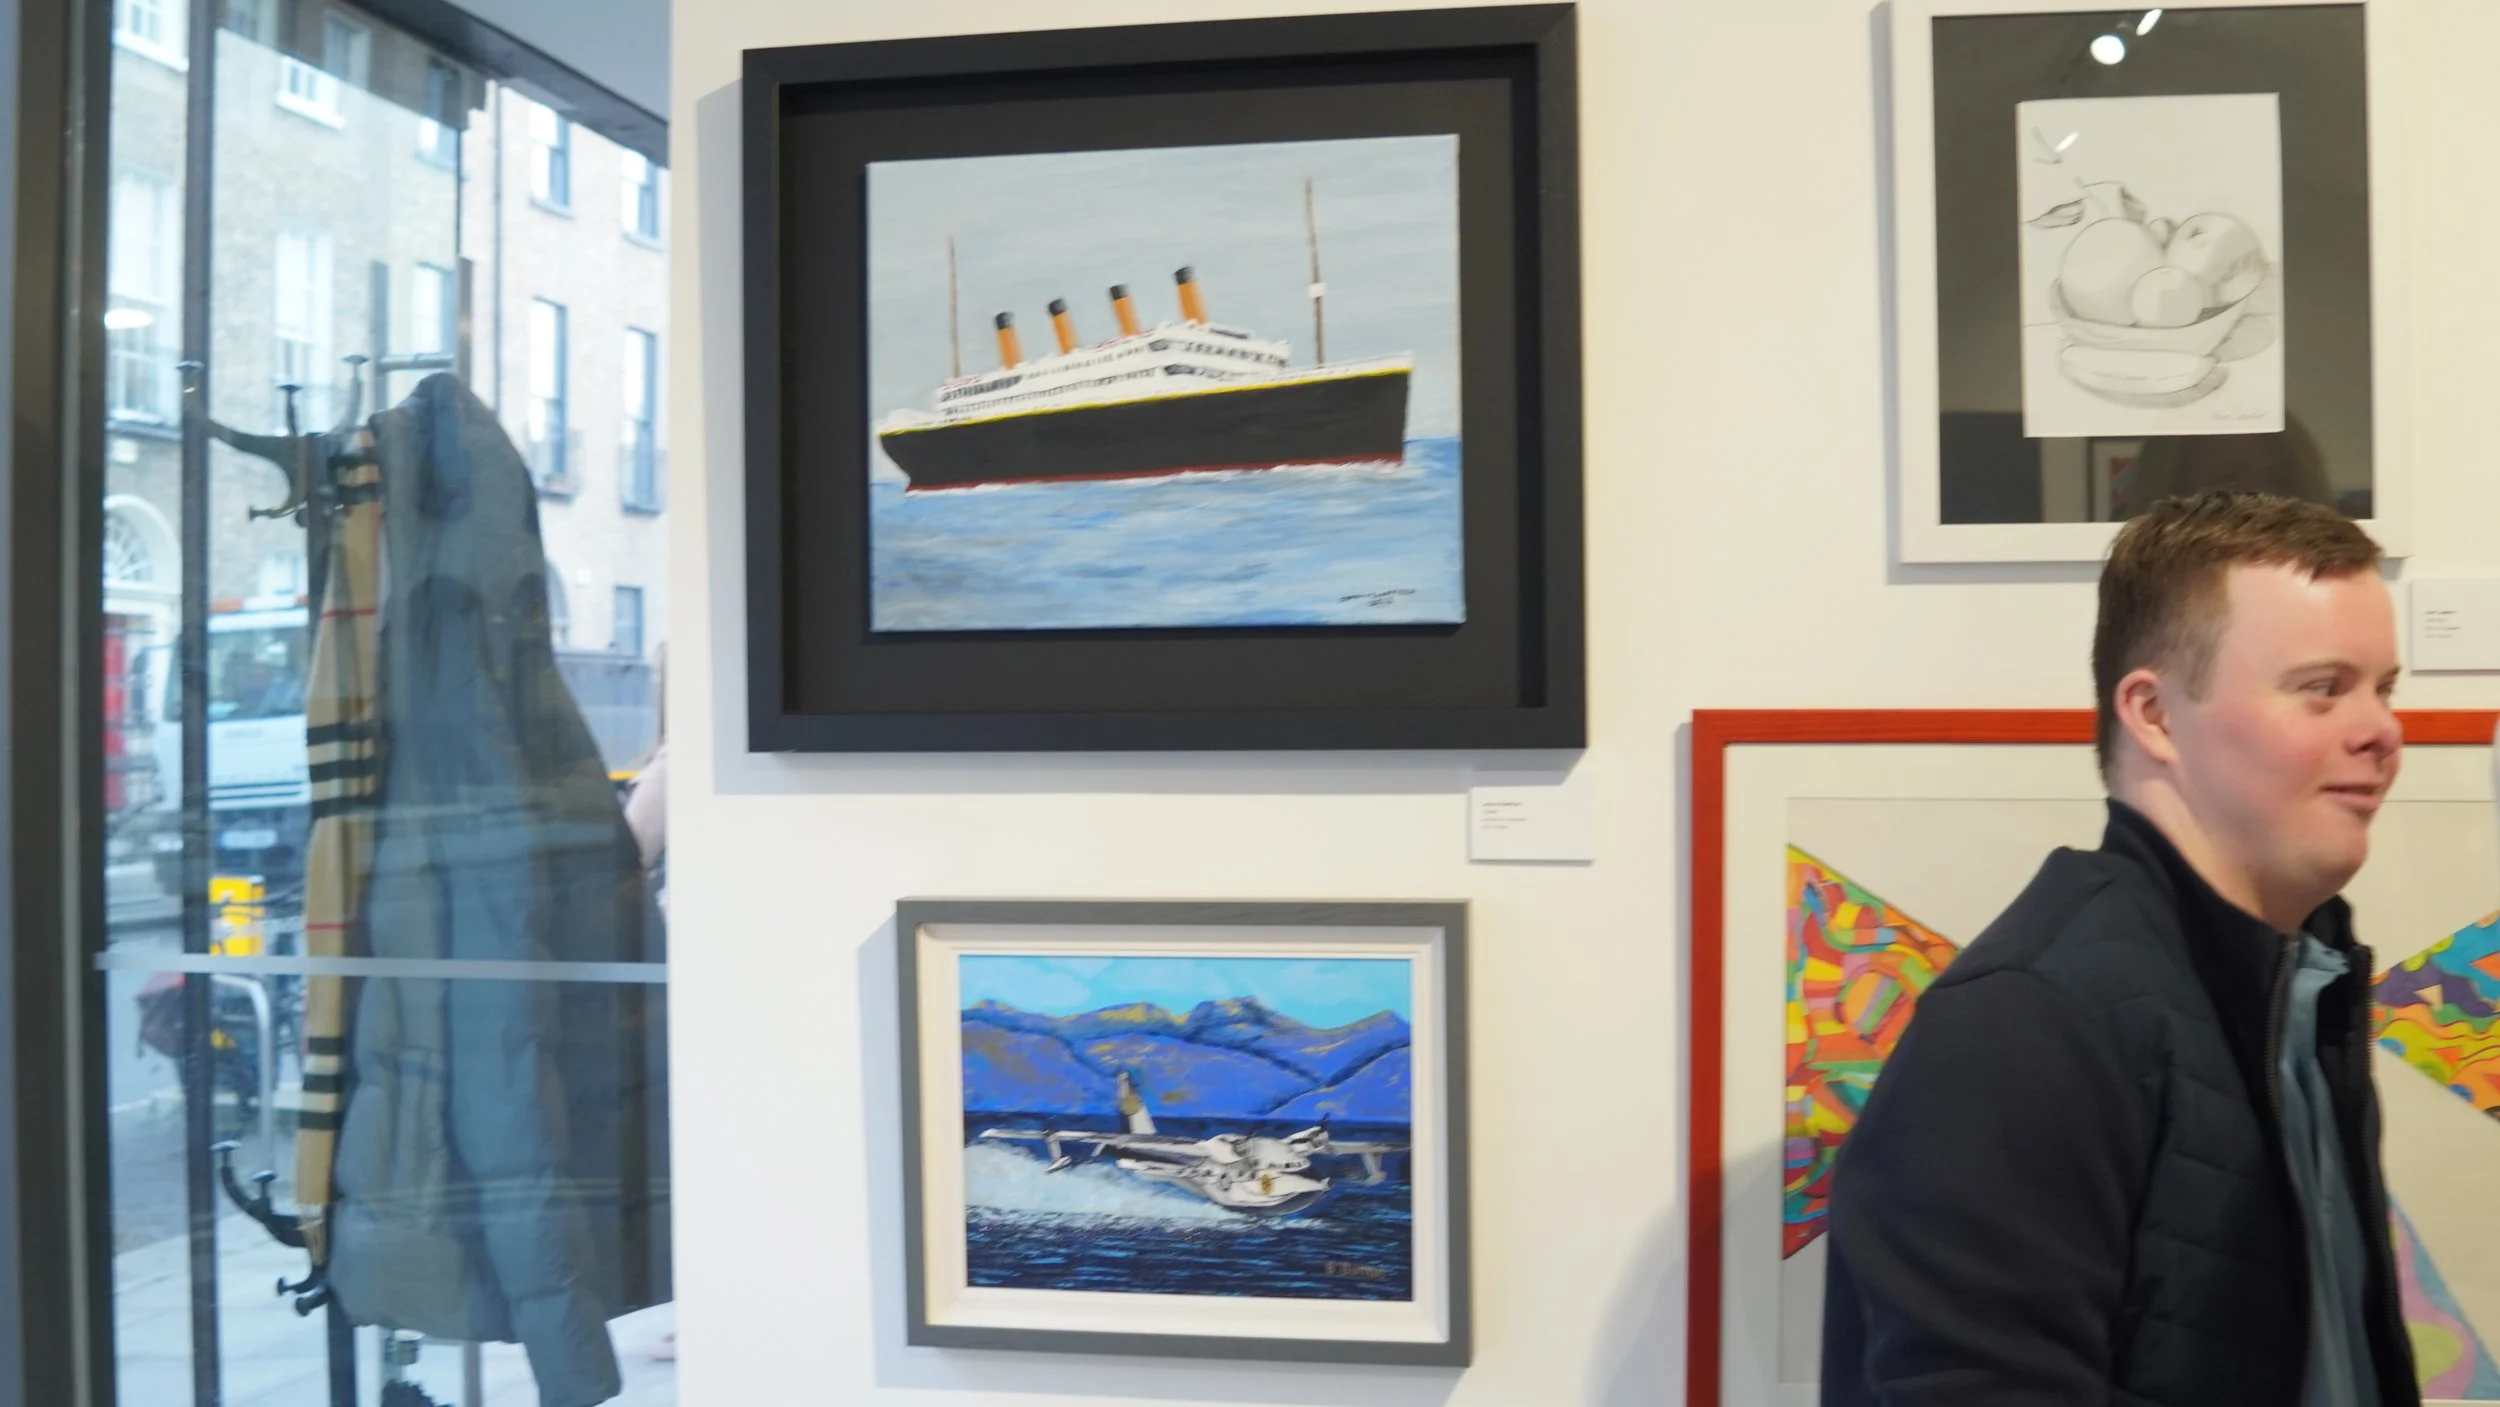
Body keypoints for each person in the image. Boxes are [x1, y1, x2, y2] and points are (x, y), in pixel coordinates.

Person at [1821, 491, 2418, 1407]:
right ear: (2154, 713)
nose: (2381, 729)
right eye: (2323, 687)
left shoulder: (2302, 989)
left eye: (2386, 688)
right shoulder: (2021, 1025)